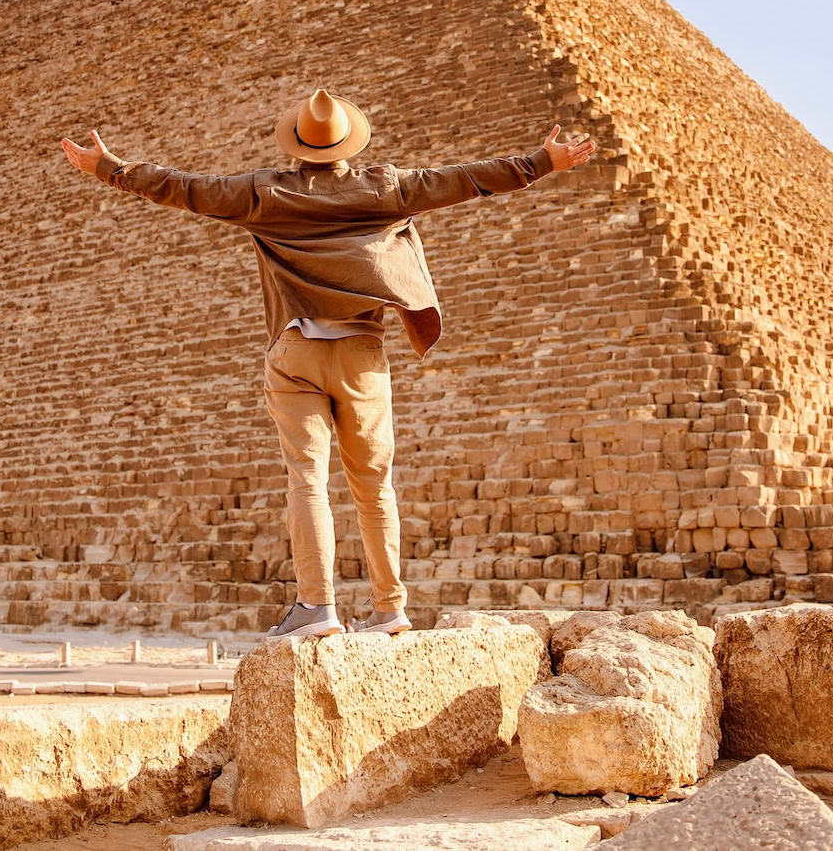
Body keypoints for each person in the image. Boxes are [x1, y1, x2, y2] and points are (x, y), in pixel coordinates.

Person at [60, 89, 597, 639]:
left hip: (295, 353)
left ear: (295, 143)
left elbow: (183, 188)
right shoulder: (386, 187)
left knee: (307, 481)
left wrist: (109, 167)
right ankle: (389, 609)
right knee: (374, 486)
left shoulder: (262, 194)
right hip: (362, 356)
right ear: (350, 141)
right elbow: (465, 179)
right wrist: (541, 162)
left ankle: (316, 608)